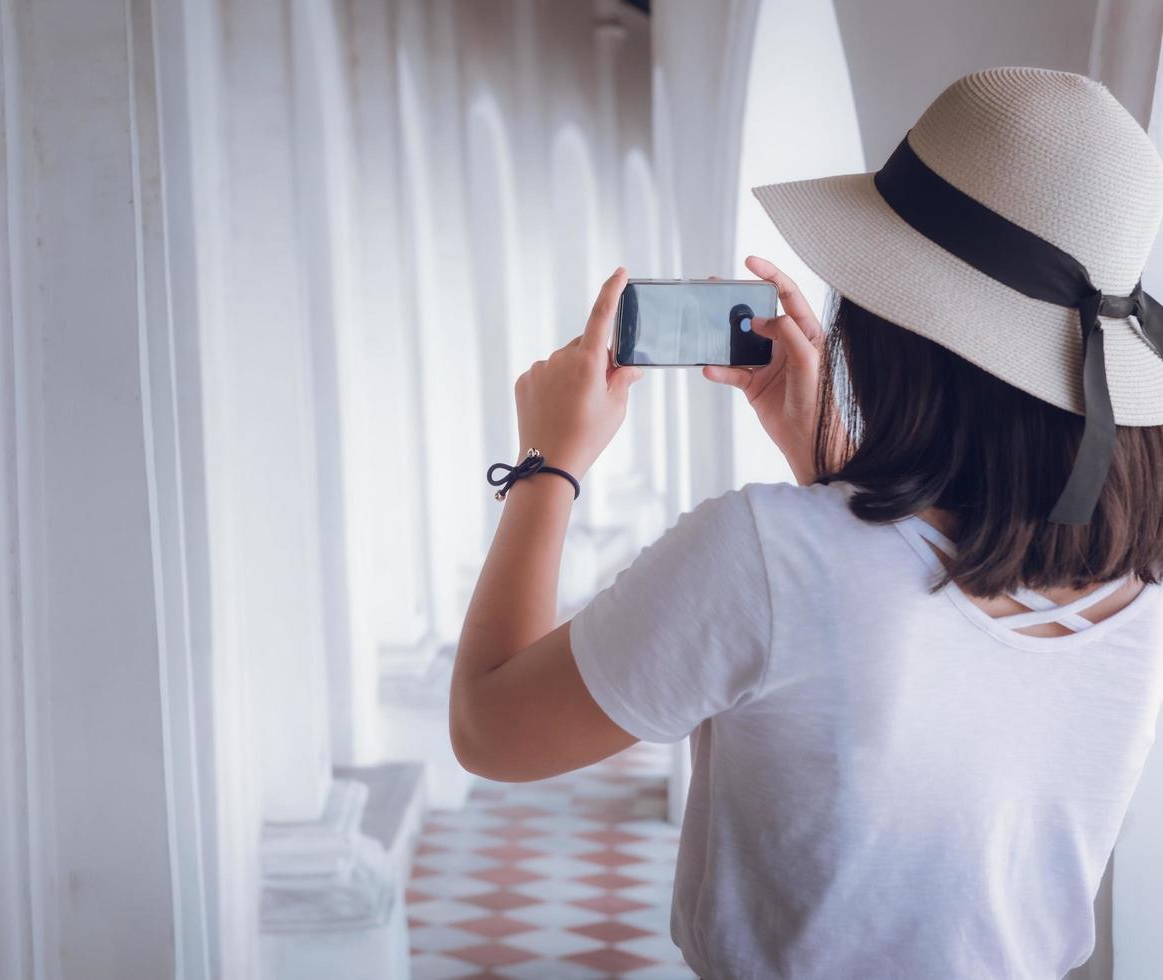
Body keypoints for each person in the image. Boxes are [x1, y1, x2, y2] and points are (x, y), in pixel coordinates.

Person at [449, 67, 1163, 979]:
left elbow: (490, 729)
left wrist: (547, 465)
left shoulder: (763, 556)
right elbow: (937, 662)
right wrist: (835, 467)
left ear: (894, 326)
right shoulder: (1135, 585)